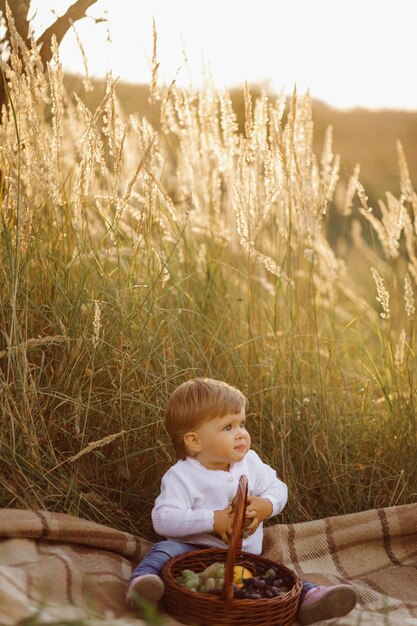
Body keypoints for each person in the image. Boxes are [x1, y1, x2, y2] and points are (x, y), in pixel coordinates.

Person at [127, 378, 357, 625]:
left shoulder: (251, 462)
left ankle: (310, 597)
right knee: (163, 550)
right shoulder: (182, 476)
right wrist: (213, 520)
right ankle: (143, 585)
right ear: (195, 441)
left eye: (242, 424)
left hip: (244, 555)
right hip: (191, 552)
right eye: (228, 427)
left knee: (272, 574)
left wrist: (265, 505)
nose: (241, 434)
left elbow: (278, 489)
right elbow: (163, 520)